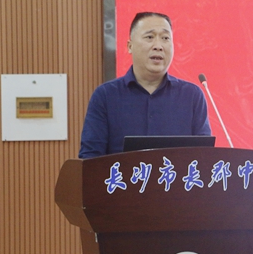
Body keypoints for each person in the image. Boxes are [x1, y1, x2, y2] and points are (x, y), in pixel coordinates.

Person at [78, 12, 211, 158]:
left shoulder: (191, 96)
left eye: (165, 38)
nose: (158, 46)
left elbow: (204, 157)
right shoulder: (105, 96)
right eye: (149, 37)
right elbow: (90, 158)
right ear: (130, 46)